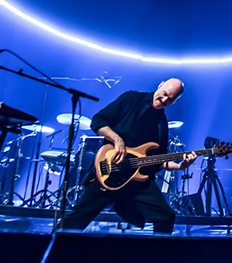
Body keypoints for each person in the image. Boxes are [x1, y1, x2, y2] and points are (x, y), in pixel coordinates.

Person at [61, 78, 195, 234]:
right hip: (108, 169)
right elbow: (98, 120)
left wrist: (180, 166)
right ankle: (48, 251)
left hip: (136, 180)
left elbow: (158, 161)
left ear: (176, 101)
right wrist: (117, 139)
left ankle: (157, 257)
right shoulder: (131, 99)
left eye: (170, 99)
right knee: (77, 219)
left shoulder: (161, 123)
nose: (164, 100)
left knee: (166, 216)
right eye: (164, 94)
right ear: (160, 85)